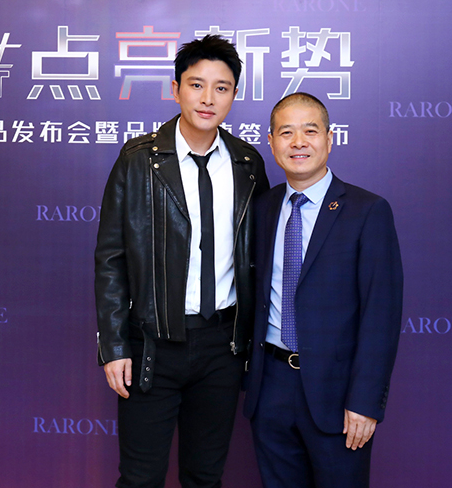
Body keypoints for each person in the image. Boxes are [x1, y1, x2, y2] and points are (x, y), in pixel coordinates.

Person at [95, 35, 269, 488]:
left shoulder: (248, 163)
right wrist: (114, 345)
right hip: (153, 344)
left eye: (221, 87)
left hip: (222, 346)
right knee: (140, 478)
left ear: (234, 95)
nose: (208, 98)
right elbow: (111, 258)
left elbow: (257, 257)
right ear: (175, 89)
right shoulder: (138, 161)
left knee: (205, 477)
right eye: (196, 85)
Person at [243, 92, 403, 488]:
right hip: (270, 388)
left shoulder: (367, 211)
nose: (298, 142)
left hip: (338, 395)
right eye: (286, 132)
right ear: (271, 142)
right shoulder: (262, 207)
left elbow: (380, 315)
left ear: (329, 139)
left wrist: (365, 402)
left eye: (310, 131)